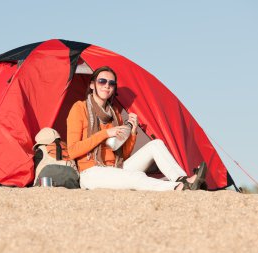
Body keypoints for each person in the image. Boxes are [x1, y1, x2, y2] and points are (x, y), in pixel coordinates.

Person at [66, 66, 207, 191]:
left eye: (111, 83)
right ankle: (178, 188)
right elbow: (72, 151)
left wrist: (132, 133)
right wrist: (105, 133)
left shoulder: (114, 114)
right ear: (92, 85)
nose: (106, 86)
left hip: (115, 168)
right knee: (137, 177)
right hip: (91, 172)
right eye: (102, 81)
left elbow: (123, 156)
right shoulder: (79, 108)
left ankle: (181, 179)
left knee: (156, 145)